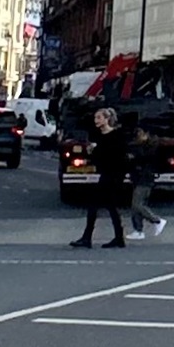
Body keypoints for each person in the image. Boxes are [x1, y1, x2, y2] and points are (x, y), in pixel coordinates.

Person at [69, 107, 128, 250]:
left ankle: (88, 238)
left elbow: (116, 156)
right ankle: (118, 238)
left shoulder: (116, 136)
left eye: (99, 118)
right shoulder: (98, 136)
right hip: (105, 174)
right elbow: (98, 159)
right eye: (96, 118)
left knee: (96, 205)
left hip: (113, 175)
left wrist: (97, 150)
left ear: (107, 119)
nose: (96, 121)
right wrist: (92, 152)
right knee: (110, 206)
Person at [125, 126, 167, 240]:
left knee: (137, 204)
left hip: (145, 177)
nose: (138, 136)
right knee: (136, 206)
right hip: (138, 177)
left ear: (146, 134)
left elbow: (144, 157)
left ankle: (157, 220)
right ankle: (138, 230)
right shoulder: (141, 145)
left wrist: (134, 156)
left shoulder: (152, 145)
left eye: (140, 133)